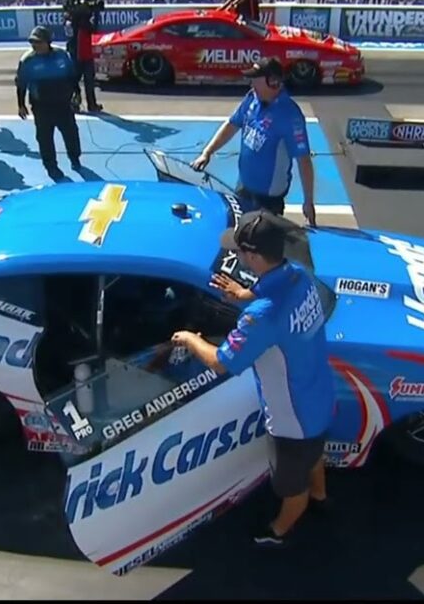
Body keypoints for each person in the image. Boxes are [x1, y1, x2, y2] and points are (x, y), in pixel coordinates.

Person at [170, 209, 334, 546]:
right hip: (320, 394)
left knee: (290, 487)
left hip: (293, 419)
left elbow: (220, 362)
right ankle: (320, 496)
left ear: (254, 255)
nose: (235, 255)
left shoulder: (261, 318)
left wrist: (190, 338)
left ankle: (278, 531)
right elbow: (275, 302)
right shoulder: (299, 277)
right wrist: (245, 296)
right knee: (314, 454)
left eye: (239, 251)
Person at [192, 58, 316, 225]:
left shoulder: (290, 116)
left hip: (268, 200)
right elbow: (232, 124)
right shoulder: (252, 99)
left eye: (256, 82)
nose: (252, 86)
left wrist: (308, 201)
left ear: (273, 83)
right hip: (243, 187)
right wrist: (207, 152)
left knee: (262, 246)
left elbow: (304, 160)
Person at [15, 25, 82, 180]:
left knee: (71, 133)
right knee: (44, 138)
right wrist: (21, 104)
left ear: (48, 42)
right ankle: (51, 166)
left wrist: (77, 94)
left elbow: (72, 76)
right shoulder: (27, 61)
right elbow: (21, 84)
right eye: (32, 42)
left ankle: (75, 158)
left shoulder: (62, 56)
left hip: (63, 105)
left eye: (38, 42)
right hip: (41, 107)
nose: (35, 45)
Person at [63, 0, 102, 113]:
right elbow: (93, 29)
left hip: (76, 52)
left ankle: (76, 102)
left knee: (75, 80)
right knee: (86, 80)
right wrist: (95, 14)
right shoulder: (79, 22)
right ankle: (87, 103)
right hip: (81, 53)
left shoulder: (69, 19)